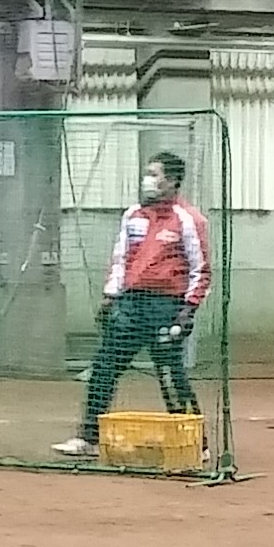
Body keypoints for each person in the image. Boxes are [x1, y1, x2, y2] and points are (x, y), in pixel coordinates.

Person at [54, 149, 209, 461]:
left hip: (166, 305)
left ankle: (196, 441)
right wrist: (111, 298)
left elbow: (201, 269)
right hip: (131, 304)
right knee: (104, 367)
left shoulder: (189, 219)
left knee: (170, 372)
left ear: (173, 181)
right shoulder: (133, 215)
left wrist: (187, 309)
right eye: (147, 173)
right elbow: (121, 259)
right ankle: (89, 438)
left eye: (155, 174)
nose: (148, 180)